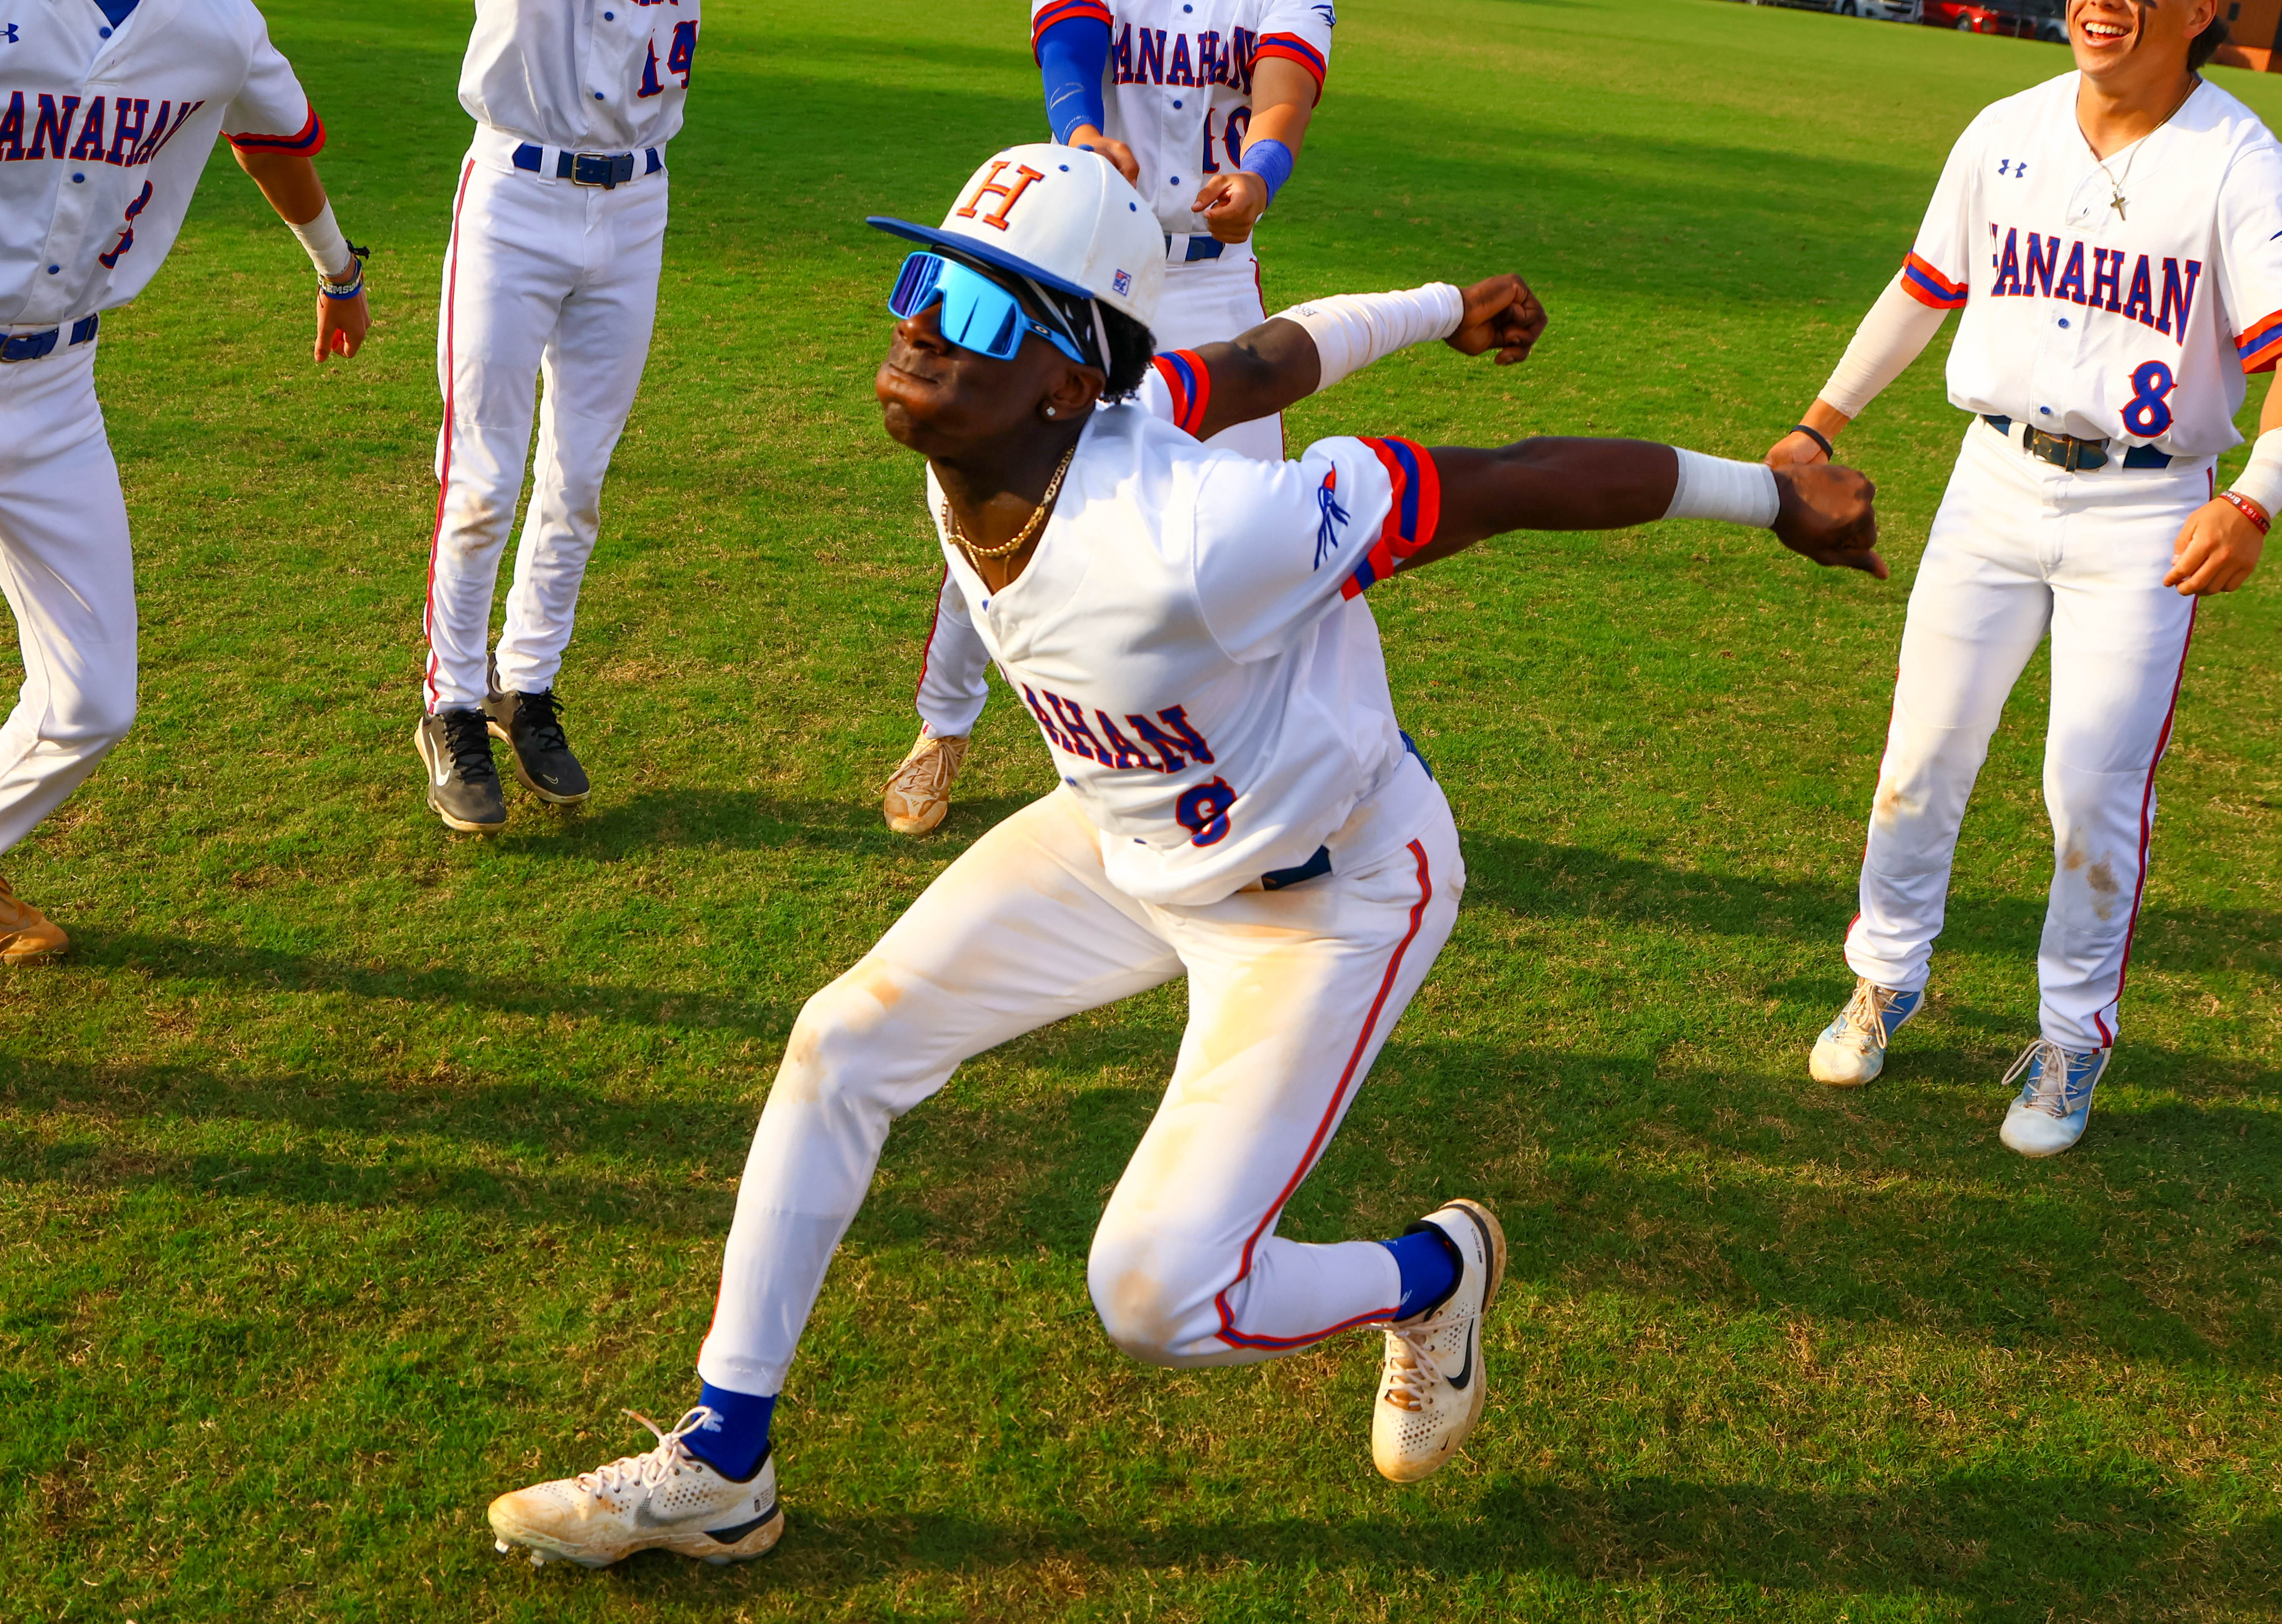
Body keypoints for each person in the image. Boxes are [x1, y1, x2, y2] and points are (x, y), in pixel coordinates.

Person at [481, 145, 1883, 1572]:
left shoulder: (1201, 538)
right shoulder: (1015, 431)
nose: (917, 331)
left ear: (1063, 382)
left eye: (973, 315)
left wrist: (1775, 501)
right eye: (918, 289)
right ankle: (724, 1462)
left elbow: (1510, 482)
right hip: (1125, 834)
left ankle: (1435, 1271)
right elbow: (1267, 359)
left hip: (1327, 892)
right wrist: (1440, 301)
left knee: (1156, 1300)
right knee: (841, 1042)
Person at [1774, 0, 2268, 1157]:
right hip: (1990, 480)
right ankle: (1882, 979)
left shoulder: (2239, 163)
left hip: (2145, 507)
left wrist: (2252, 499)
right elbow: (1922, 287)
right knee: (1919, 758)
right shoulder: (2005, 126)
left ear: (2200, 10)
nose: (2100, 2)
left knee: (2089, 791)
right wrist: (1816, 425)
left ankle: (2069, 1037)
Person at [0, 0, 371, 962]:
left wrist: (338, 271)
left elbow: (271, 137)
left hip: (57, 392)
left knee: (93, 700)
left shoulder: (212, 22)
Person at [879, 0, 1337, 837]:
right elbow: (1070, 45)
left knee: (1252, 524)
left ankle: (1259, 755)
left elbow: (1285, 89)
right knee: (1012, 510)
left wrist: (1262, 172)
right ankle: (943, 724)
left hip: (1215, 279)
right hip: (1089, 284)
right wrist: (1081, 133)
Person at [410, 0, 700, 833]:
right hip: (516, 197)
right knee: (481, 481)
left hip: (638, 203)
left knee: (578, 480)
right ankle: (453, 704)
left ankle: (526, 690)